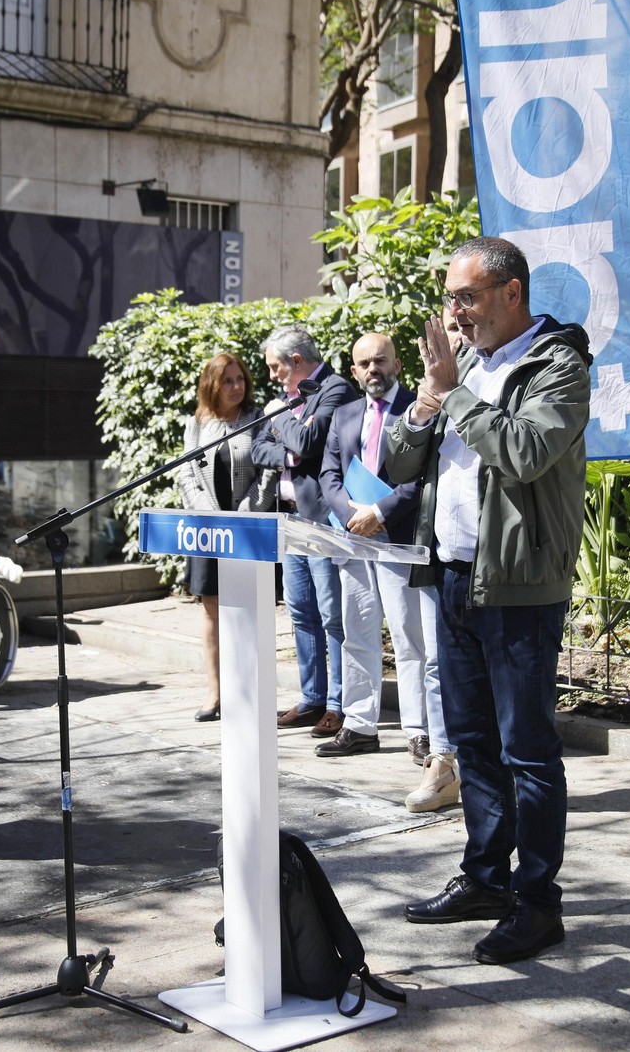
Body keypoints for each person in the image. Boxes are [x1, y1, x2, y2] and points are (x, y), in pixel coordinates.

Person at [386, 236, 591, 966]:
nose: (455, 314)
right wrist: (418, 413)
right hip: (454, 576)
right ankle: (484, 878)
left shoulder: (558, 365)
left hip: (519, 586)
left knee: (527, 752)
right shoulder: (466, 366)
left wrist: (455, 393)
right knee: (472, 744)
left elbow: (526, 453)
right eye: (449, 298)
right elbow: (398, 464)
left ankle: (538, 905)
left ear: (511, 293)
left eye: (466, 298)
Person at [317, 334, 460, 800]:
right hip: (353, 540)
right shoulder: (344, 414)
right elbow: (328, 476)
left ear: (396, 362)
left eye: (380, 359)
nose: (372, 369)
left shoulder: (417, 406)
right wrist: (351, 512)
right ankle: (359, 724)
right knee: (355, 633)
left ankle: (418, 730)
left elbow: (422, 476)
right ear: (354, 371)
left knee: (409, 638)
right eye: (363, 363)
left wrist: (377, 513)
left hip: (398, 538)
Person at [249, 325, 355, 737]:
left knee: (332, 615)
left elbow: (311, 441)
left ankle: (338, 704)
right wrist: (285, 440)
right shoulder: (286, 400)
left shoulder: (335, 389)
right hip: (288, 517)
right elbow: (259, 446)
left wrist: (281, 421)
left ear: (296, 361)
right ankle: (312, 699)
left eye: (276, 367)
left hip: (323, 519)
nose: (273, 377)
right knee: (300, 613)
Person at [175, 352, 276, 722]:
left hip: (247, 530)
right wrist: (212, 519)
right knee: (212, 611)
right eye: (227, 381)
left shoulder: (258, 417)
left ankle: (248, 692)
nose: (236, 387)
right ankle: (215, 694)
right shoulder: (198, 422)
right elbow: (185, 474)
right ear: (212, 385)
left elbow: (268, 472)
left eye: (240, 379)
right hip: (206, 533)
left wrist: (239, 519)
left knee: (248, 610)